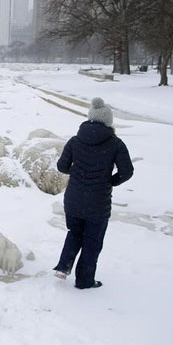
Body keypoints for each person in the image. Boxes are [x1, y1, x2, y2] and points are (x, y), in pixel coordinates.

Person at [53, 97, 134, 289]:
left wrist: (80, 175)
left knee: (74, 232)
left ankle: (64, 266)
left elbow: (62, 166)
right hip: (98, 202)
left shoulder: (75, 141)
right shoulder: (115, 143)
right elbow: (127, 171)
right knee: (92, 241)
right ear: (108, 122)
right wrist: (110, 181)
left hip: (73, 199)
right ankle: (84, 280)